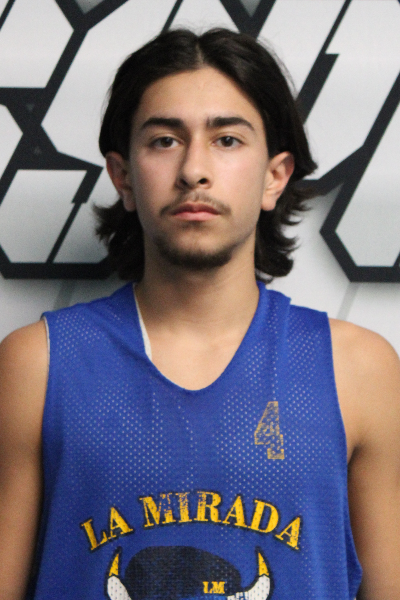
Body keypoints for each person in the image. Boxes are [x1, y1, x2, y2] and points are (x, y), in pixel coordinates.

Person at [0, 28, 399, 600]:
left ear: (275, 176)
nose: (193, 170)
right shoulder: (36, 365)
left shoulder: (358, 369)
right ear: (122, 177)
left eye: (227, 140)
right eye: (164, 140)